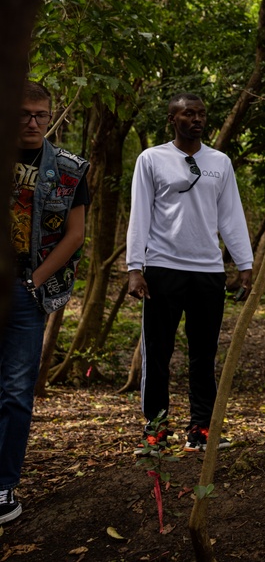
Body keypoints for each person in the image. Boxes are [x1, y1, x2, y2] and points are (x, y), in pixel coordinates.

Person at [126, 92, 253, 453]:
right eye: (187, 114)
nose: (196, 119)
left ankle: (201, 429)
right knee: (159, 351)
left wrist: (244, 264)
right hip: (163, 268)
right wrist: (135, 267)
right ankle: (156, 431)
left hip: (207, 272)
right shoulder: (152, 159)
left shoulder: (220, 162)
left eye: (200, 114)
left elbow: (230, 215)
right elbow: (141, 214)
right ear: (173, 119)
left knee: (203, 353)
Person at [2, 81, 90, 523]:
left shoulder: (71, 168)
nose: (33, 122)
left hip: (26, 292)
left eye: (41, 114)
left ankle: (3, 486)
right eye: (23, 114)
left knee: (16, 392)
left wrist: (34, 281)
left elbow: (75, 235)